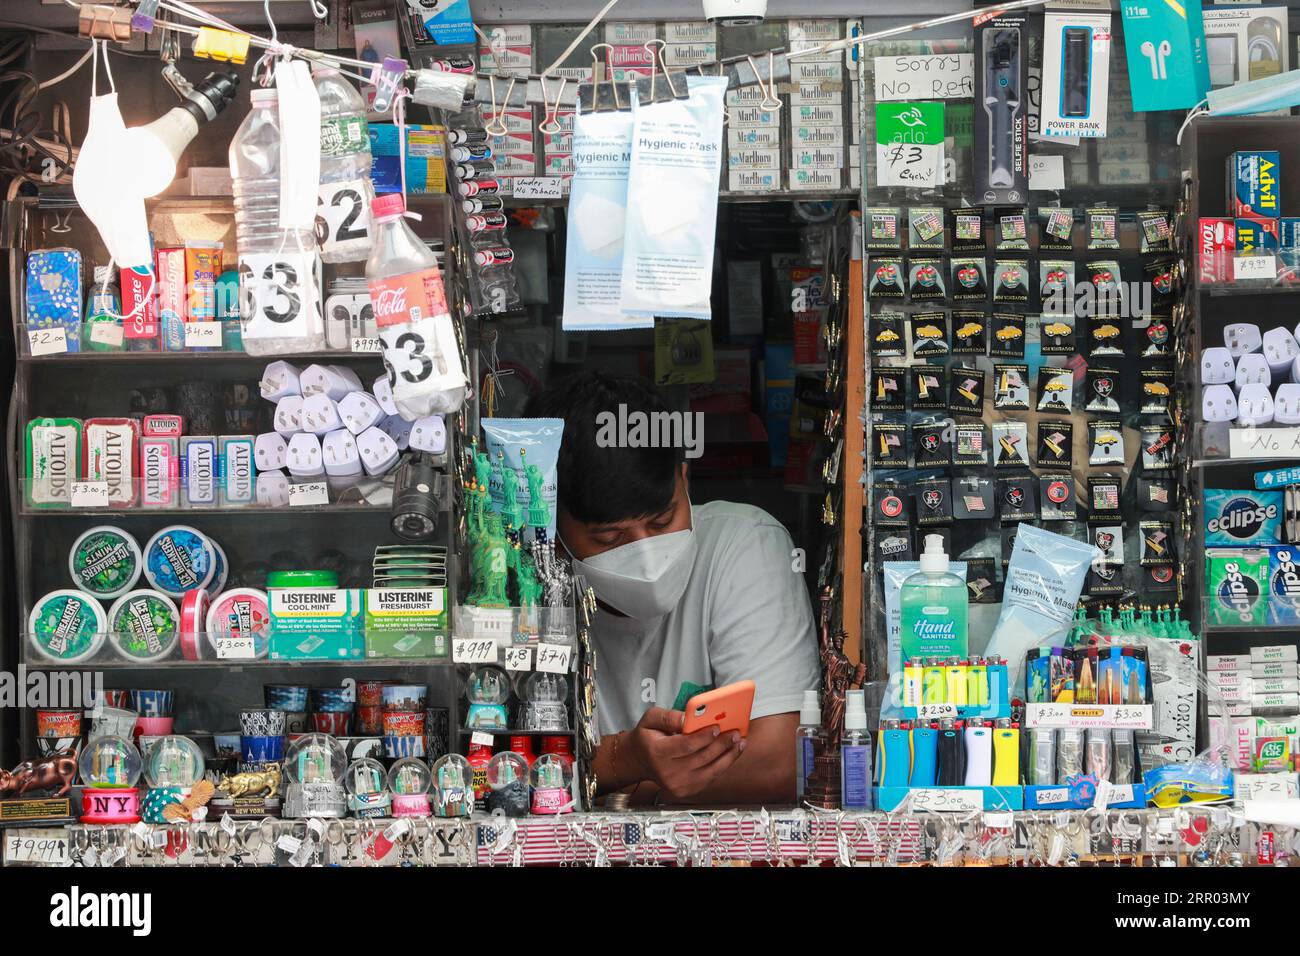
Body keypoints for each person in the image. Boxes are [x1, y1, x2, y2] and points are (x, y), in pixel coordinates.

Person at [534, 371, 820, 805]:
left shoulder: (743, 543)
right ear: (552, 528)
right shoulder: (522, 583)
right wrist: (620, 759)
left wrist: (626, 784)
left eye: (663, 521)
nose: (647, 557)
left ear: (683, 478)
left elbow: (780, 760)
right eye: (611, 539)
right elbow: (499, 768)